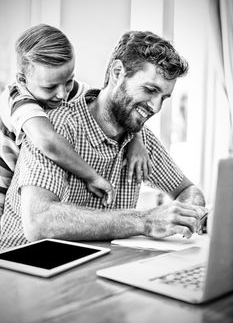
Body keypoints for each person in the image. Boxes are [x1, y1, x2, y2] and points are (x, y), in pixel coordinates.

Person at [0, 30, 206, 249]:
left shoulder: (139, 136)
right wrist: (146, 221)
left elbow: (188, 191)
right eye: (149, 90)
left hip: (91, 267)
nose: (156, 107)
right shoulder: (54, 124)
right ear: (117, 73)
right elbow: (39, 223)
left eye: (163, 98)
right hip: (22, 266)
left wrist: (188, 215)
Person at [0, 24, 151, 223]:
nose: (62, 94)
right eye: (50, 87)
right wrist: (92, 176)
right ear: (22, 79)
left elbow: (111, 107)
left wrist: (135, 138)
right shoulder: (18, 97)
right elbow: (48, 141)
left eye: (69, 81)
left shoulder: (68, 89)